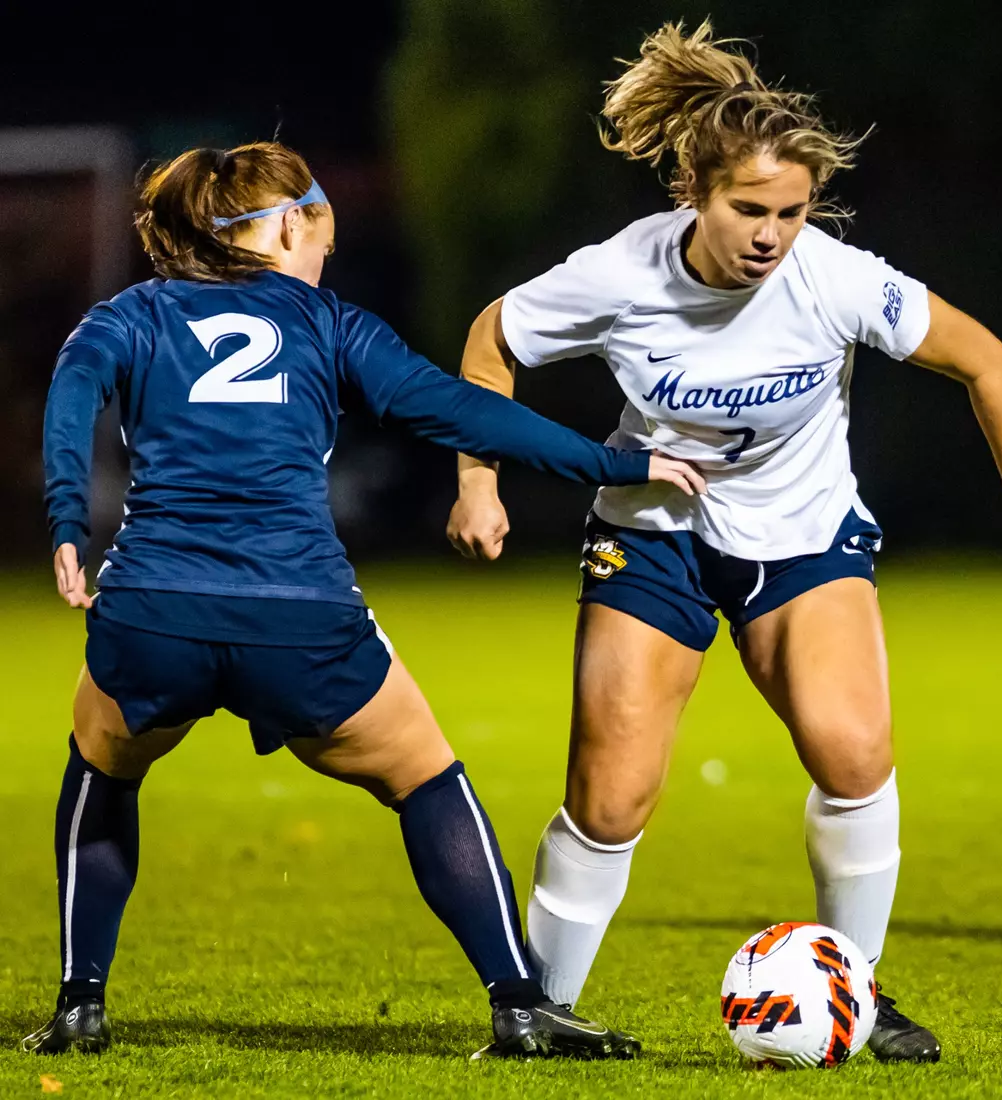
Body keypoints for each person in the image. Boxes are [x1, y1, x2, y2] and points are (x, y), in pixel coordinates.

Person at [446, 21, 1002, 1064]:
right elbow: (491, 339)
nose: (770, 234)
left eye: (790, 212)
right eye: (748, 209)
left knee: (853, 752)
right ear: (694, 193)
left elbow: (986, 361)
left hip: (802, 534)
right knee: (609, 798)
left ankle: (854, 993)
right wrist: (477, 482)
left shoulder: (833, 278)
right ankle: (541, 1014)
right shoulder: (618, 274)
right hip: (654, 537)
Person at [25, 140, 707, 1061]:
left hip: (155, 609)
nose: (325, 257)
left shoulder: (130, 314)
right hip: (300, 618)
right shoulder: (326, 322)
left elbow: (73, 391)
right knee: (426, 777)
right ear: (284, 227)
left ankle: (80, 1003)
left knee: (102, 765)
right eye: (320, 239)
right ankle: (520, 1004)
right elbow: (462, 411)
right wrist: (616, 463)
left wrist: (68, 519)